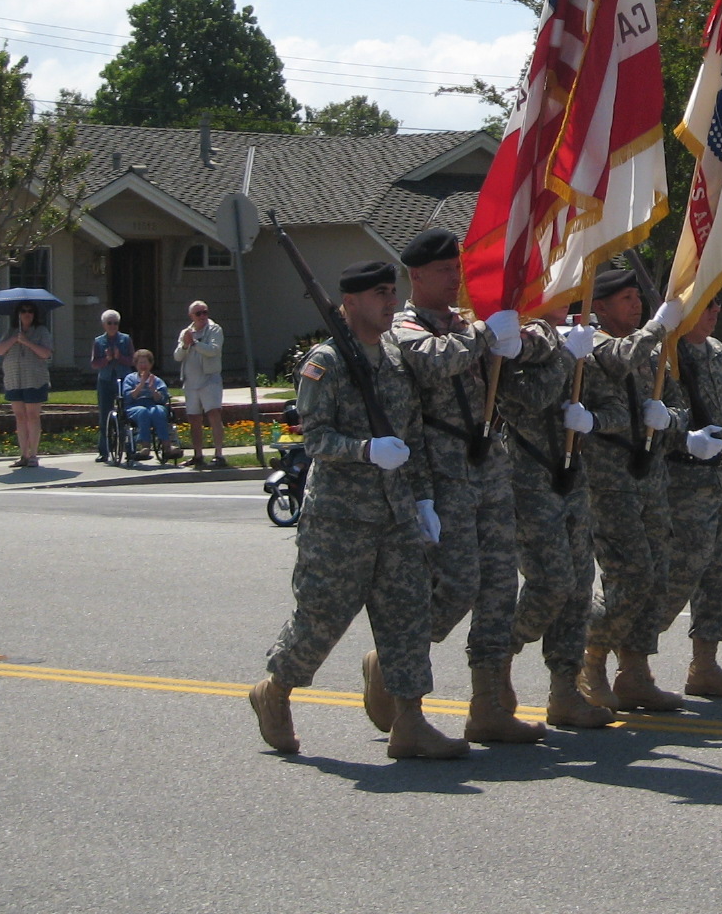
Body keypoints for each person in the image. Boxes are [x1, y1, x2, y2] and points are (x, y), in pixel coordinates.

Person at [250, 260, 462, 761]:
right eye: (378, 294)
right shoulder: (325, 363)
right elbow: (316, 438)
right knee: (321, 618)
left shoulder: (393, 357)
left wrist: (425, 498)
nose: (390, 301)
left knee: (408, 615)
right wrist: (365, 450)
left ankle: (409, 721)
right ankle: (274, 691)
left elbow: (412, 437)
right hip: (340, 520)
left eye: (392, 292)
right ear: (349, 303)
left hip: (395, 515)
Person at [385, 229, 542, 746]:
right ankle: (394, 659)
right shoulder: (404, 327)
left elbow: (514, 361)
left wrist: (522, 337)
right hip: (444, 473)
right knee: (456, 583)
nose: (456, 278)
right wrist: (484, 335)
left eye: (458, 268)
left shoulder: (465, 325)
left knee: (500, 586)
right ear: (417, 276)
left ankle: (488, 704)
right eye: (445, 271)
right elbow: (433, 360)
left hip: (489, 467)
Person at [578, 266, 686, 713]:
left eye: (636, 297)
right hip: (610, 482)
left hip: (650, 477)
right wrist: (660, 325)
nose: (635, 304)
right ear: (599, 307)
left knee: (657, 578)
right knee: (631, 576)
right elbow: (620, 359)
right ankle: (590, 656)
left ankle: (636, 672)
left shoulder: (650, 352)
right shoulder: (596, 346)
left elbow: (676, 403)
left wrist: (672, 421)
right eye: (625, 299)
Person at [497, 316, 613, 729]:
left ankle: (564, 690)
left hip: (571, 472)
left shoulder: (569, 343)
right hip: (528, 477)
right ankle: (497, 659)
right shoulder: (513, 349)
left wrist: (592, 417)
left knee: (580, 587)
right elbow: (530, 395)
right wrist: (566, 355)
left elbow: (604, 398)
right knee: (551, 583)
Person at [659, 295, 722, 698]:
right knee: (677, 577)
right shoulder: (667, 355)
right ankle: (624, 660)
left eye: (720, 304)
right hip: (681, 481)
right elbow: (654, 414)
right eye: (707, 304)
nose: (716, 311)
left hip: (719, 482)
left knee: (721, 577)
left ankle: (704, 666)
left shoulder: (718, 351)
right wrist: (682, 437)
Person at [0, 301, 54, 469]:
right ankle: (23, 454)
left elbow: (45, 353)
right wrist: (14, 339)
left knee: (32, 416)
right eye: (23, 311)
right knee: (20, 417)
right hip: (14, 380)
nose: (27, 314)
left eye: (30, 311)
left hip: (34, 379)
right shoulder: (11, 331)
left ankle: (34, 455)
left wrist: (27, 342)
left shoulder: (41, 331)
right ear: (18, 314)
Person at [174, 301, 228, 469]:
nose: (203, 316)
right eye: (199, 314)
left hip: (209, 380)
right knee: (194, 418)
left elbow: (213, 350)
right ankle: (198, 455)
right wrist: (185, 344)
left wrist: (195, 343)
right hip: (191, 383)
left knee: (213, 414)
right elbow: (177, 356)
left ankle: (219, 455)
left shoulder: (214, 329)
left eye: (205, 312)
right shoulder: (186, 332)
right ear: (191, 316)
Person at [120, 349, 181, 461]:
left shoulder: (156, 380)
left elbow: (162, 399)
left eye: (145, 362)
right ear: (136, 364)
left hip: (153, 404)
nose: (143, 365)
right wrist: (141, 384)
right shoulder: (130, 379)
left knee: (158, 411)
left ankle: (167, 446)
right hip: (134, 406)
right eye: (140, 363)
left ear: (151, 364)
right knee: (143, 412)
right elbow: (128, 397)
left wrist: (153, 390)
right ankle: (145, 447)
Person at [90, 310, 135, 463]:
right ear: (104, 325)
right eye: (109, 323)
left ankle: (129, 448)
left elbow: (132, 360)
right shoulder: (98, 341)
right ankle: (104, 451)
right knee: (104, 415)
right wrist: (107, 359)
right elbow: (94, 363)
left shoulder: (125, 339)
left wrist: (119, 357)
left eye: (115, 323)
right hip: (105, 380)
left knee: (126, 414)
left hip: (123, 379)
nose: (113, 326)